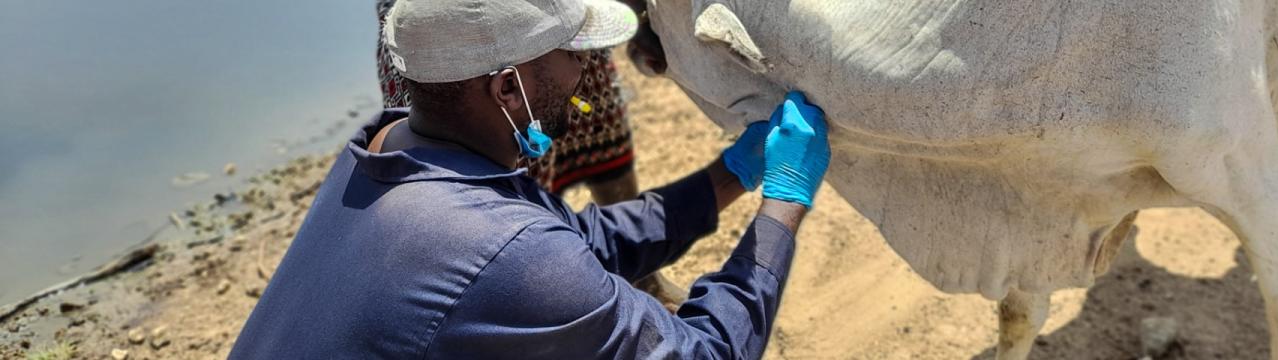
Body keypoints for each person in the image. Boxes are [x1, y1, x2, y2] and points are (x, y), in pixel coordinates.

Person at [228, 0, 832, 358]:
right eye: (574, 54)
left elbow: (588, 238)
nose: (589, 71)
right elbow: (707, 353)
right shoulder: (507, 254)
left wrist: (731, 175)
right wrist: (782, 206)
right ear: (506, 88)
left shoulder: (391, 149)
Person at [373, 0, 690, 311]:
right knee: (487, 165)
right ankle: (519, 293)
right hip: (441, 30)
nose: (582, 60)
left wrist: (642, 18)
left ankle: (636, 275)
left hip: (541, 20)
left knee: (585, 118)